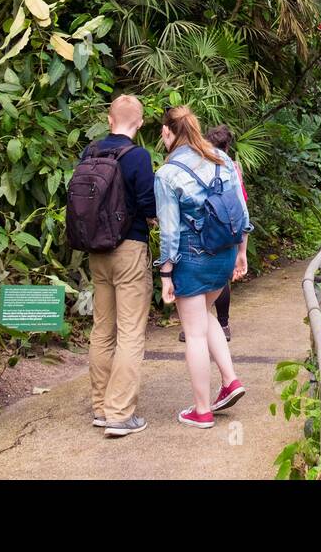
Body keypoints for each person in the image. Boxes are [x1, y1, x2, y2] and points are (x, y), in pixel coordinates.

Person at [154, 105, 251, 428]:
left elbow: (168, 231)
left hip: (192, 257)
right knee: (205, 316)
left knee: (193, 333)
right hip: (223, 252)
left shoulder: (167, 173)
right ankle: (231, 380)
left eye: (162, 133)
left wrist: (165, 273)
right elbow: (240, 210)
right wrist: (241, 252)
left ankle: (202, 410)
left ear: (168, 132)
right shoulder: (221, 158)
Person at [85, 95, 156, 438]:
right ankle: (119, 414)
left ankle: (100, 408)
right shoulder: (139, 157)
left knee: (102, 329)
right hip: (129, 249)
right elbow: (148, 204)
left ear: (109, 120)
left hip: (96, 250)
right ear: (140, 123)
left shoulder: (91, 152)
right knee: (130, 332)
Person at [178, 123, 247, 343]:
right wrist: (242, 248)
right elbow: (240, 202)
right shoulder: (230, 165)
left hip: (202, 226)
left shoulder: (195, 161)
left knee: (202, 279)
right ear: (228, 145)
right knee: (220, 279)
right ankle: (221, 324)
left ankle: (197, 324)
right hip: (229, 223)